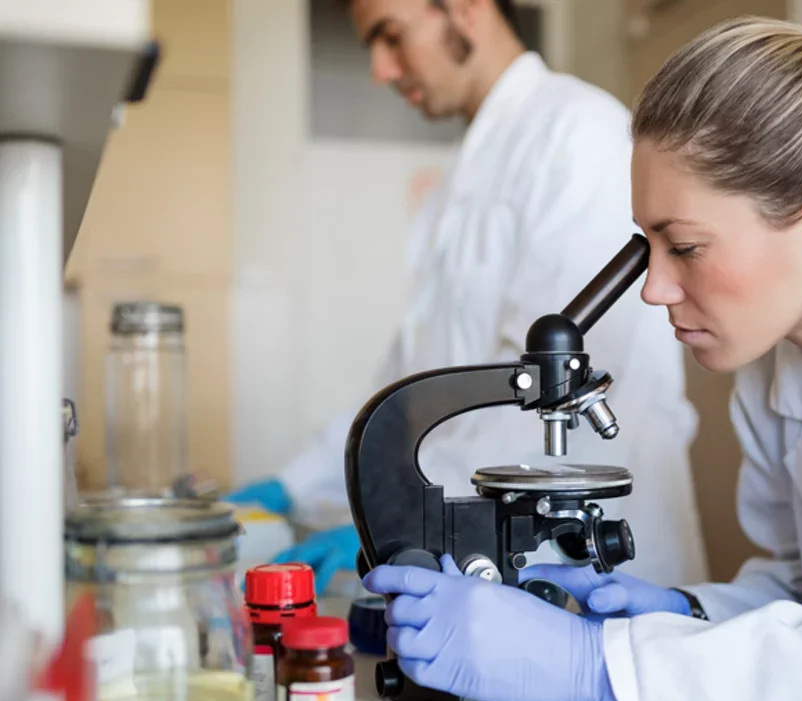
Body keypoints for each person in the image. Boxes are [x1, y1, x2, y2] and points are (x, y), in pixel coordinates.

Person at [362, 0, 802, 701]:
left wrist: (600, 664)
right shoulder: (783, 365)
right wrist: (677, 614)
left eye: (685, 247)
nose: (653, 289)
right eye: (648, 246)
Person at [225, 0, 708, 594]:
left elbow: (549, 393)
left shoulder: (577, 135)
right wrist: (293, 486)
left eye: (391, 36)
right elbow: (405, 388)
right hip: (486, 557)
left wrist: (411, 521)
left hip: (591, 560)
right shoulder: (459, 176)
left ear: (464, 9)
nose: (380, 69)